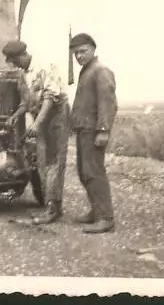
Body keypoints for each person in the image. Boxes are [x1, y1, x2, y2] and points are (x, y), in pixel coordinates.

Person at [2, 40, 70, 225]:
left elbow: (50, 98)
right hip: (40, 116)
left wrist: (37, 123)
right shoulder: (23, 73)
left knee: (55, 162)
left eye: (15, 60)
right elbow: (27, 100)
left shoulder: (46, 65)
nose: (14, 65)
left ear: (24, 55)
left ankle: (53, 210)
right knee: (43, 162)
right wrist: (17, 115)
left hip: (56, 115)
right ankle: (51, 206)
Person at [69, 33, 118, 234]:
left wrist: (103, 130)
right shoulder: (87, 71)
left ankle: (106, 218)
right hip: (85, 131)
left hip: (94, 132)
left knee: (94, 173)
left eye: (83, 51)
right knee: (84, 172)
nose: (79, 56)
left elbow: (108, 103)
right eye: (76, 53)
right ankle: (96, 211)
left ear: (93, 49)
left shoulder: (101, 71)